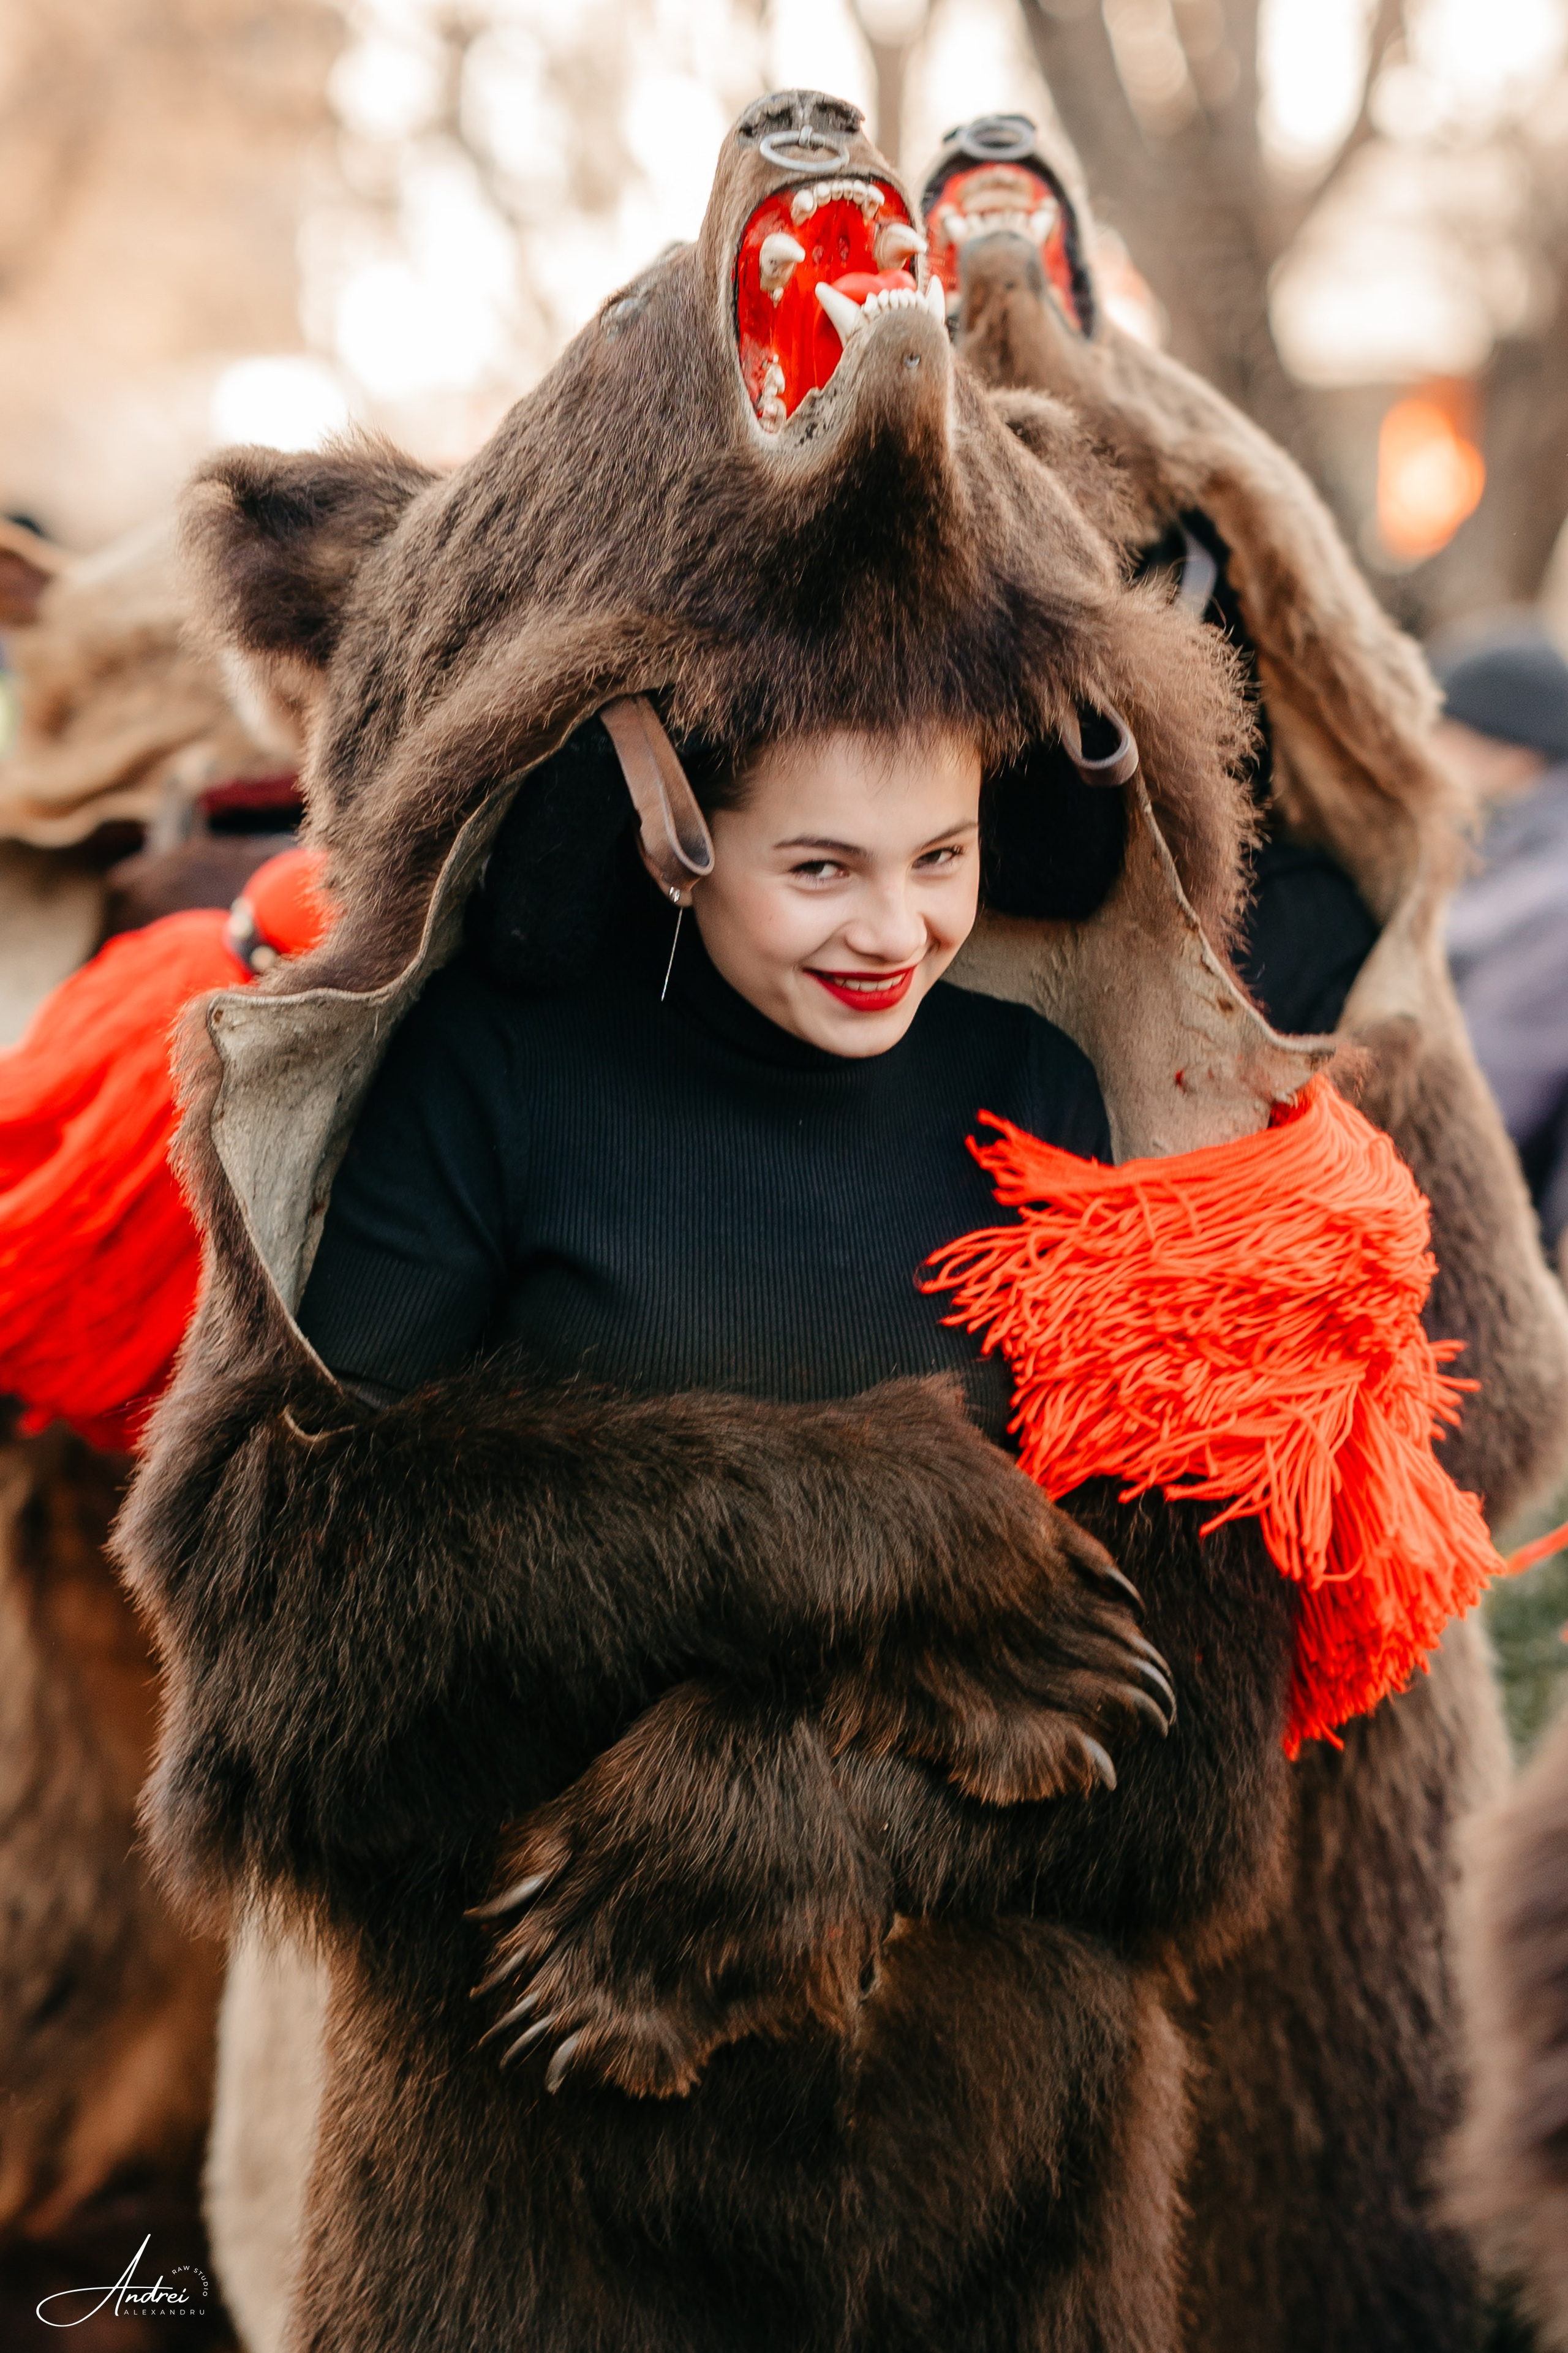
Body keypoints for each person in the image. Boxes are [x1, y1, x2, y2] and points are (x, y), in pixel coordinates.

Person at [1436, 619, 1568, 1262]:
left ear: (1515, 757)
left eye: (1451, 733)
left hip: (1475, 1236)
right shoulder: (1506, 849)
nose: (1430, 749)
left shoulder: (1552, 892)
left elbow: (1486, 1091)